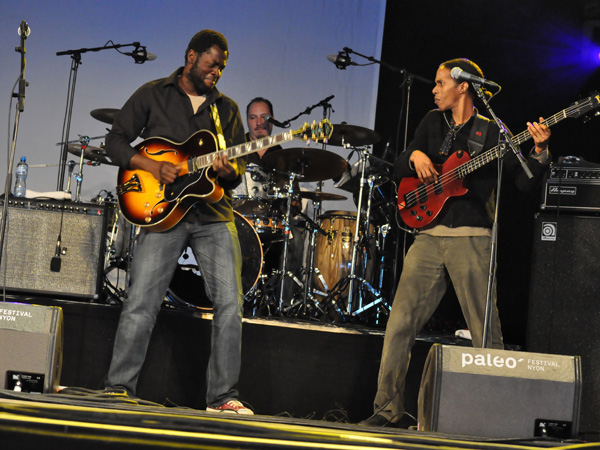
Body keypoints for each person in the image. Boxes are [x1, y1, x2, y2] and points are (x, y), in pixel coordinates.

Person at [361, 58, 551, 427]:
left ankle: (497, 417)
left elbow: (525, 182)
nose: (433, 89)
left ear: (463, 86)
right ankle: (386, 411)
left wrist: (540, 152)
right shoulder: (432, 122)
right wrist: (414, 155)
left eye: (440, 82)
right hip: (428, 235)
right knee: (399, 324)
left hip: (472, 235)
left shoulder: (491, 130)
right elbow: (402, 163)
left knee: (485, 333)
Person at [104, 30, 252, 415]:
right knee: (140, 302)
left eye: (221, 66)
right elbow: (115, 142)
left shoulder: (228, 110)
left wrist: (227, 168)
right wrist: (152, 165)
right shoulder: (153, 93)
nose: (216, 71)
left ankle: (222, 399)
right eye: (211, 63)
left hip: (213, 216)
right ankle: (118, 389)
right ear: (191, 56)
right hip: (163, 213)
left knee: (230, 305)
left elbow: (236, 174)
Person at [233, 97, 305, 312]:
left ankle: (283, 303)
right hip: (237, 219)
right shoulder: (234, 149)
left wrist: (292, 205)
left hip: (271, 221)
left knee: (297, 238)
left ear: (272, 121)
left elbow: (296, 202)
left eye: (264, 117)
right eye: (253, 117)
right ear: (247, 121)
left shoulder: (284, 157)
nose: (259, 122)